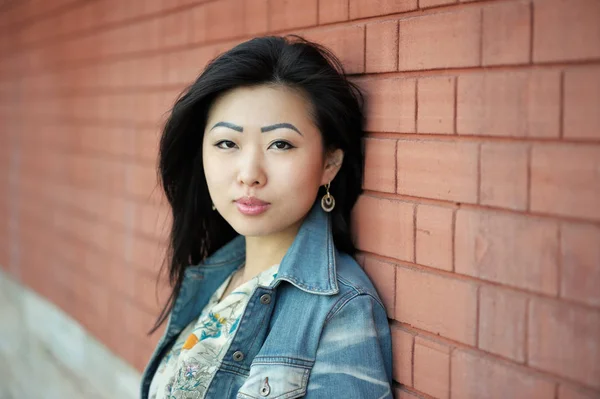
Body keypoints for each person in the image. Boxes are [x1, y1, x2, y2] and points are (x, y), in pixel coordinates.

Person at [140, 35, 393, 399]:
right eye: (227, 143)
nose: (249, 174)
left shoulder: (341, 311)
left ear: (329, 164)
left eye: (281, 144)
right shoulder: (215, 276)